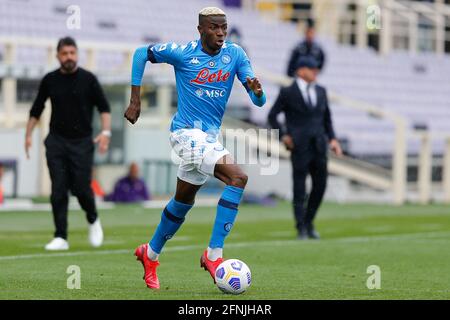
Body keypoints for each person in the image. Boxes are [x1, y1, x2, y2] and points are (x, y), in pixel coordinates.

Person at [124, 6, 266, 289]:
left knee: (182, 203)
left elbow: (258, 101)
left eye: (224, 27)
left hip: (208, 139)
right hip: (185, 134)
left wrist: (257, 92)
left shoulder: (235, 55)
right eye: (214, 27)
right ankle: (214, 254)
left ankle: (149, 254)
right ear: (201, 29)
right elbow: (142, 53)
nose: (221, 33)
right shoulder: (182, 52)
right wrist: (135, 100)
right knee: (238, 177)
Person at [25, 37, 111, 251]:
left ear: (77, 54)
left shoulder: (88, 79)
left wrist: (106, 132)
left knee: (81, 189)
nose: (69, 57)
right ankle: (60, 236)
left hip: (82, 142)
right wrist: (27, 135)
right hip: (56, 142)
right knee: (58, 190)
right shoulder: (50, 80)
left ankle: (93, 219)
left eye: (72, 53)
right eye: (65, 53)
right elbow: (37, 109)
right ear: (58, 56)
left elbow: (104, 107)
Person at [268, 56, 342, 240]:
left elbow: (327, 118)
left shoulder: (321, 91)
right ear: (301, 70)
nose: (315, 72)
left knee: (321, 185)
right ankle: (300, 226)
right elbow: (272, 116)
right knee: (299, 188)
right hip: (299, 147)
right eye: (312, 68)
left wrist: (332, 138)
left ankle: (309, 222)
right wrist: (284, 135)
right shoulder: (287, 92)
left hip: (319, 145)